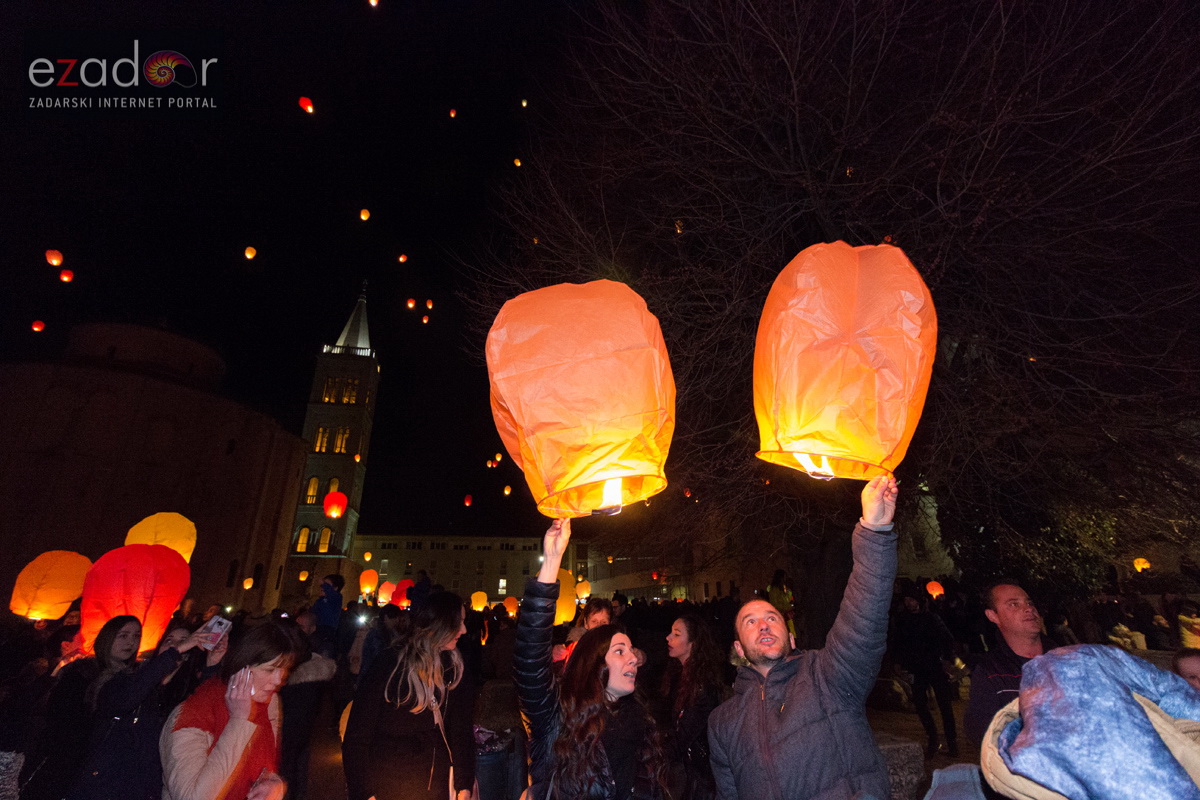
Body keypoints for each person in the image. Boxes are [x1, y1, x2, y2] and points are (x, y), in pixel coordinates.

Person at [707, 475, 898, 800]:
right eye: (749, 622)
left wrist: (874, 532)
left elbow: (864, 616)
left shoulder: (827, 676)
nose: (763, 625)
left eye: (771, 617)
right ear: (738, 648)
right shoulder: (722, 722)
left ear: (791, 638)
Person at [516, 518, 665, 800]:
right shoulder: (558, 719)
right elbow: (530, 661)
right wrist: (551, 562)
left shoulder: (638, 718)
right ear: (595, 663)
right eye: (619, 651)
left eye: (631, 650)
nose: (632, 658)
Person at [342, 592, 476, 800]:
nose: (464, 630)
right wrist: (364, 792)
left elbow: (461, 731)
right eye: (458, 622)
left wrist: (464, 784)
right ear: (439, 624)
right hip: (388, 785)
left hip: (436, 786)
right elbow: (358, 734)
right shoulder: (390, 664)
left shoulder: (454, 669)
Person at [70, 620, 215, 800]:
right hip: (105, 786)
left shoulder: (183, 695)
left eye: (183, 640)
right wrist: (176, 651)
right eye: (169, 640)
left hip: (146, 789)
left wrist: (212, 665)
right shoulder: (125, 680)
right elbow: (126, 698)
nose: (176, 645)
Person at [160, 622, 296, 800]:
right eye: (270, 670)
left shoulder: (269, 702)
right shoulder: (193, 714)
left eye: (284, 670)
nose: (278, 680)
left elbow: (266, 766)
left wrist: (274, 783)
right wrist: (239, 721)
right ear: (242, 668)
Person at [20, 616, 138, 800]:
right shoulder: (81, 673)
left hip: (104, 770)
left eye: (136, 636)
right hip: (65, 764)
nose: (131, 642)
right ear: (108, 638)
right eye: (123, 636)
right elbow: (59, 723)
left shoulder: (134, 680)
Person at [963, 581, 1055, 743]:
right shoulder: (990, 673)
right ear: (993, 616)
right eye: (1013, 604)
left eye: (1029, 602)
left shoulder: (1066, 660)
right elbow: (984, 736)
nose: (1028, 609)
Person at [661, 613, 725, 800]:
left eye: (677, 634)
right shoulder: (678, 675)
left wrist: (656, 758)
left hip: (700, 774)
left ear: (693, 644)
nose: (668, 637)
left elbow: (685, 734)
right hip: (689, 769)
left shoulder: (702, 685)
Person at [890, 591, 958, 757]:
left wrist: (947, 659)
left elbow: (947, 638)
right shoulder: (903, 620)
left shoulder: (931, 618)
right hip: (917, 668)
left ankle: (952, 743)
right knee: (920, 705)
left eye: (911, 599)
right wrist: (899, 662)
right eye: (906, 599)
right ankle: (933, 739)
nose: (908, 602)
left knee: (944, 706)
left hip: (934, 666)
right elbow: (898, 642)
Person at [766, 570, 796, 637]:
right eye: (784, 577)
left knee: (792, 631)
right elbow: (775, 604)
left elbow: (787, 599)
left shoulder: (783, 588)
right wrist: (786, 608)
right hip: (781, 614)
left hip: (787, 613)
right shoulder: (774, 590)